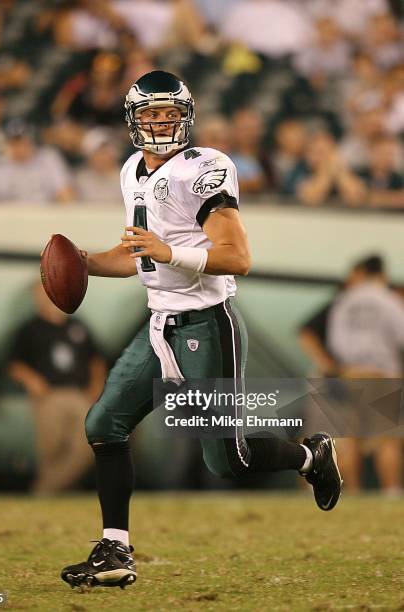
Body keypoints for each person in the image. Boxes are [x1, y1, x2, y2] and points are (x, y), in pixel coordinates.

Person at [60, 70, 342, 590]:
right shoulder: (130, 170)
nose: (160, 123)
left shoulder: (206, 167)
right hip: (159, 321)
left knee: (225, 459)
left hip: (207, 324)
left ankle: (310, 454)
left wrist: (171, 252)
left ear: (186, 116)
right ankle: (115, 549)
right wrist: (83, 262)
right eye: (150, 114)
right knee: (104, 424)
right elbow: (136, 255)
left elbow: (238, 256)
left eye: (169, 113)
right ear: (132, 120)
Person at [8, 281, 107, 494]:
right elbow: (14, 364)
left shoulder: (77, 326)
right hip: (49, 396)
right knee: (51, 449)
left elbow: (96, 359)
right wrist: (32, 380)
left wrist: (96, 387)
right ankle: (60, 495)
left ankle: (44, 491)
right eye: (40, 294)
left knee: (88, 444)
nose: (45, 298)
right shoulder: (29, 329)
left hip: (78, 394)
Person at [327, 255, 404, 494]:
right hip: (384, 373)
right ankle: (391, 491)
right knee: (388, 437)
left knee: (349, 436)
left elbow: (335, 341)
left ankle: (352, 492)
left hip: (353, 373)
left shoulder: (345, 300)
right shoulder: (390, 300)